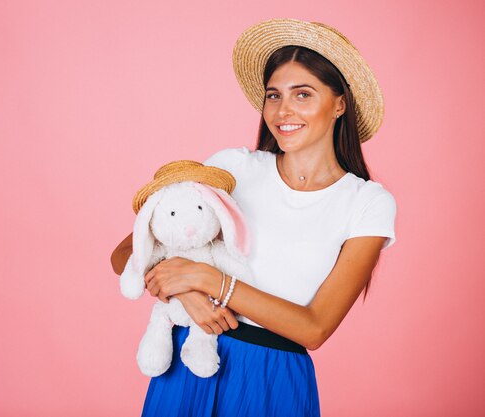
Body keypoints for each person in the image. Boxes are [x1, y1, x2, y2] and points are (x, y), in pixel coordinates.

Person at [111, 18, 397, 417]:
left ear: (339, 103)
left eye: (303, 95)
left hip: (273, 379)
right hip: (189, 362)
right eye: (273, 95)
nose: (283, 111)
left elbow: (314, 328)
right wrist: (187, 294)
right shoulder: (233, 169)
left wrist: (210, 280)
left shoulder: (367, 203)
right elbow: (127, 252)